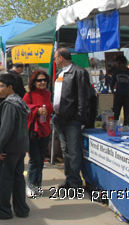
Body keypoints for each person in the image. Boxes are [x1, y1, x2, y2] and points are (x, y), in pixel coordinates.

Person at [0, 73, 30, 220]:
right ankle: (21, 208)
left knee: (5, 179)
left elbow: (5, 129)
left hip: (9, 149)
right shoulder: (19, 101)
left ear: (10, 88)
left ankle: (3, 210)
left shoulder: (9, 104)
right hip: (19, 147)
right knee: (18, 178)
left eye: (1, 86)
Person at [51, 48, 91, 189]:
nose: (54, 60)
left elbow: (83, 96)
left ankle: (75, 182)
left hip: (72, 119)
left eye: (55, 57)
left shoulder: (78, 72)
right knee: (65, 150)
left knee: (74, 151)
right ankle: (69, 178)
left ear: (61, 58)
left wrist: (80, 118)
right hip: (59, 117)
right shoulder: (59, 74)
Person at [23, 69, 53, 196]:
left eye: (44, 80)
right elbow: (24, 109)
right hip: (33, 132)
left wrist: (46, 111)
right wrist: (37, 110)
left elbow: (51, 109)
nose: (42, 82)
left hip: (45, 130)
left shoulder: (48, 94)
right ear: (34, 82)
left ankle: (37, 185)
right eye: (39, 80)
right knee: (34, 159)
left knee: (41, 160)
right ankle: (30, 184)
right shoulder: (28, 95)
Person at [110, 55, 129, 126]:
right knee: (115, 114)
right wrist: (113, 92)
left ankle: (126, 127)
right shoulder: (116, 72)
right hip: (118, 95)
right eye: (117, 64)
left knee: (127, 114)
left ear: (124, 63)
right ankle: (115, 128)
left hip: (127, 96)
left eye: (119, 63)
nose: (118, 65)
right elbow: (112, 83)